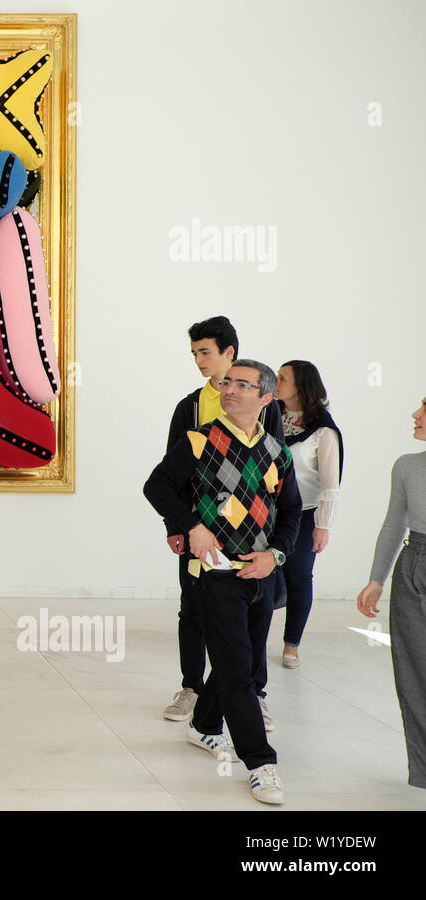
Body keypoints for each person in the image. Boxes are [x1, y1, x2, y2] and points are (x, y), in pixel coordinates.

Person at [144, 359, 301, 804]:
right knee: (237, 672)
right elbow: (156, 486)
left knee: (244, 663)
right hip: (214, 574)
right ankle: (261, 763)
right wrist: (190, 526)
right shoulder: (198, 440)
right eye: (228, 382)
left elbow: (289, 512)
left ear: (265, 398)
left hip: (261, 574)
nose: (230, 389)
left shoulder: (277, 451)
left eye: (243, 385)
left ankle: (204, 725)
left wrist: (275, 555)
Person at [161, 317, 285, 728]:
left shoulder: (262, 408)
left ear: (229, 353)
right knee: (193, 609)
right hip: (202, 534)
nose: (199, 361)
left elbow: (276, 472)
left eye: (205, 352)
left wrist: (275, 547)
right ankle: (192, 688)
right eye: (194, 353)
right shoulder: (191, 408)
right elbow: (167, 477)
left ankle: (253, 693)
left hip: (252, 538)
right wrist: (179, 527)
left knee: (253, 620)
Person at [357, 395, 426, 788]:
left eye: (423, 410)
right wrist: (376, 578)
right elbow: (392, 525)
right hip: (414, 565)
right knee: (415, 673)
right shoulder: (407, 466)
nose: (414, 415)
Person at [274, 361, 344, 669]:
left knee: (299, 577)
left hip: (303, 514)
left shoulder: (323, 431)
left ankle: (292, 646)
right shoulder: (270, 417)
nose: (275, 382)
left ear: (301, 386)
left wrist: (323, 526)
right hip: (266, 512)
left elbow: (330, 483)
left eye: (282, 378)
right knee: (257, 576)